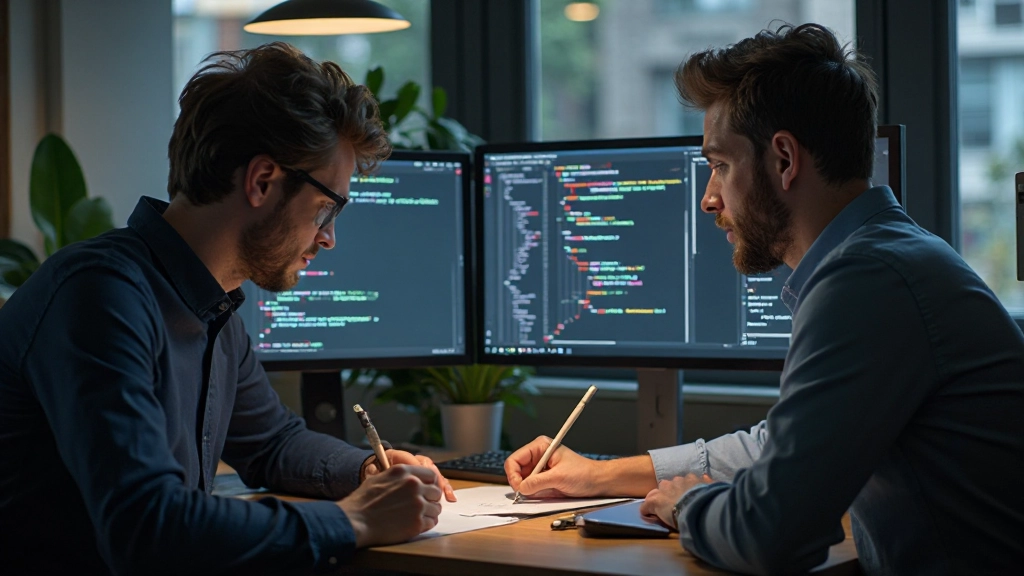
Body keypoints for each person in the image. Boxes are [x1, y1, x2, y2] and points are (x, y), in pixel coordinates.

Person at [505, 23, 1024, 575]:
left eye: (720, 166)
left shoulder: (867, 281)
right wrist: (598, 476)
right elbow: (777, 447)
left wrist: (688, 504)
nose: (709, 199)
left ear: (783, 160)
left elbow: (772, 536)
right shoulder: (889, 257)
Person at [0, 42, 456, 575]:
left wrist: (365, 472)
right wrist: (355, 522)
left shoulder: (211, 307)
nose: (329, 237)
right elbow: (146, 527)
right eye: (327, 209)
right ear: (263, 181)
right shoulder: (100, 296)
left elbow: (272, 443)